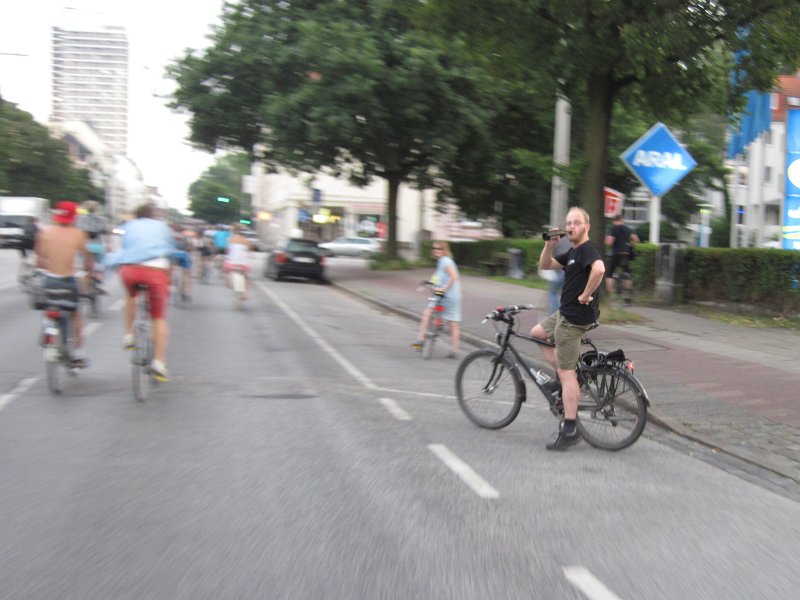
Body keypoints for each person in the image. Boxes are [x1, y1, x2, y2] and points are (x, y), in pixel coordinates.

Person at [530, 206, 605, 450]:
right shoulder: (573, 252)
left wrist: (585, 294)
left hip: (573, 319)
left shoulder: (586, 250)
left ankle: (570, 427)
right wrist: (549, 245)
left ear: (587, 227)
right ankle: (565, 380)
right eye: (568, 223)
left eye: (576, 222)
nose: (571, 226)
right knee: (537, 334)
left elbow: (600, 269)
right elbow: (545, 265)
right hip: (564, 313)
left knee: (567, 373)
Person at [115, 204, 175, 381]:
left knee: (130, 297)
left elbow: (124, 249)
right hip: (156, 272)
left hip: (130, 270)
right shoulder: (163, 228)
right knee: (158, 317)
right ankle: (159, 363)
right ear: (154, 216)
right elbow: (169, 252)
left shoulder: (128, 226)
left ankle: (128, 336)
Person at [34, 201, 94, 368]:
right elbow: (88, 259)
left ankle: (48, 327)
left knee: (50, 306)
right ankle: (79, 352)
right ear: (74, 217)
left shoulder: (45, 233)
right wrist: (88, 275)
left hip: (48, 280)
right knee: (75, 313)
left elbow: (39, 260)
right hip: (68, 281)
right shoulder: (78, 234)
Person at [412, 241, 462, 358]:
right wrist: (431, 284)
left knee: (452, 323)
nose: (435, 250)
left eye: (438, 249)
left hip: (450, 296)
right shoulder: (441, 262)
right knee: (427, 314)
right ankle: (420, 341)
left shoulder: (446, 261)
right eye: (434, 248)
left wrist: (444, 288)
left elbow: (454, 276)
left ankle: (454, 350)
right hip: (440, 294)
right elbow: (438, 277)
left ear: (444, 250)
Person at [604, 214, 640, 306]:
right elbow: (636, 239)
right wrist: (631, 245)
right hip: (626, 254)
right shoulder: (627, 228)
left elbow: (609, 242)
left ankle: (612, 298)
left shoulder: (613, 228)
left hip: (616, 254)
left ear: (614, 221)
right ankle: (627, 299)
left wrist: (607, 241)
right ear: (621, 220)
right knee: (627, 275)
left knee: (609, 275)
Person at [77, 200, 110, 295]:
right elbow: (107, 233)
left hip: (84, 246)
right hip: (97, 246)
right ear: (96, 209)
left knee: (84, 266)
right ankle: (98, 281)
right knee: (100, 263)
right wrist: (108, 245)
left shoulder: (80, 219)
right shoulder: (102, 219)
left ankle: (84, 288)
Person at [224, 223, 251, 297]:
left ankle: (228, 282)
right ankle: (245, 294)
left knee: (226, 269)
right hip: (243, 263)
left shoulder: (230, 239)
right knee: (246, 276)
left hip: (231, 262)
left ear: (233, 231)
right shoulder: (246, 241)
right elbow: (248, 252)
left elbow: (227, 251)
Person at [18, 216, 39, 283]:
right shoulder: (35, 227)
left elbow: (21, 234)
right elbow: (39, 236)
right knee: (34, 257)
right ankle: (32, 272)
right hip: (32, 243)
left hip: (22, 243)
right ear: (34, 221)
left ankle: (21, 273)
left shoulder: (23, 226)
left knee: (24, 258)